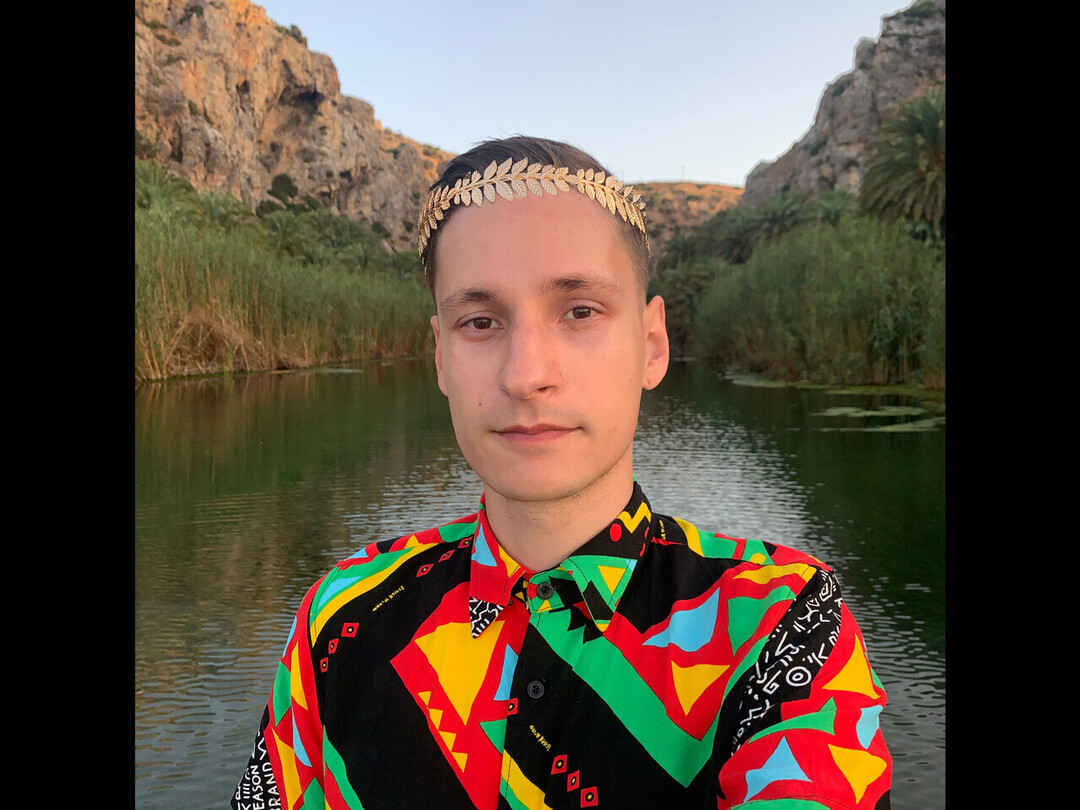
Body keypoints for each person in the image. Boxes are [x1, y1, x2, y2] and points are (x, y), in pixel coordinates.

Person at [232, 136, 892, 809]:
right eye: (480, 321)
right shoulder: (343, 615)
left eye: (579, 312)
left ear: (651, 345)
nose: (526, 375)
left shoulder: (781, 626)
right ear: (441, 357)